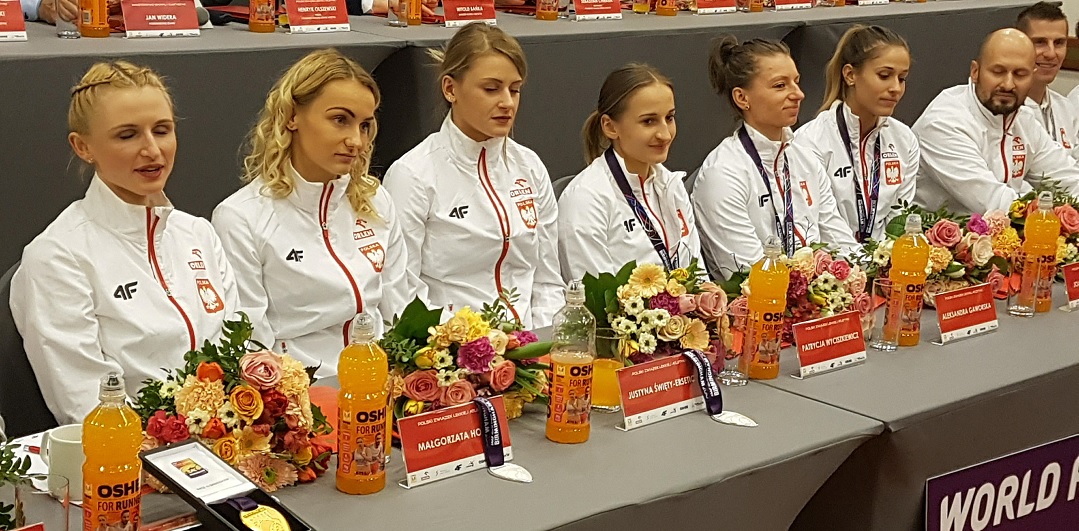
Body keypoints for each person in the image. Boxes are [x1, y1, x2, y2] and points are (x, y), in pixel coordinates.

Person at [10, 61, 239, 425]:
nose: (152, 150)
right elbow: (85, 405)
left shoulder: (198, 233)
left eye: (162, 130)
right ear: (83, 146)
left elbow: (239, 351)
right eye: (127, 135)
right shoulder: (56, 256)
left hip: (225, 440)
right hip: (132, 452)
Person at [213, 49, 410, 377]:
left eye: (365, 125)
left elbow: (399, 312)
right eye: (340, 120)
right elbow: (250, 343)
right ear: (292, 116)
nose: (356, 141)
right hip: (301, 390)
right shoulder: (240, 218)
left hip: (383, 381)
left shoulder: (376, 200)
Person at [383, 24, 563, 328]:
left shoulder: (529, 166)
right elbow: (401, 295)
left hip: (532, 344)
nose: (507, 102)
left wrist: (545, 339)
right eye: (491, 89)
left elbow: (548, 280)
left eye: (515, 89)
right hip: (450, 347)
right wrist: (464, 344)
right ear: (450, 89)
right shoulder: (412, 175)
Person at [691, 36, 858, 280]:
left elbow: (838, 238)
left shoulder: (805, 158)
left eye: (796, 82)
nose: (798, 94)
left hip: (817, 295)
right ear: (742, 98)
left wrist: (871, 270)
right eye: (780, 85)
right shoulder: (723, 174)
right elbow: (747, 275)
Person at [558, 63, 701, 281]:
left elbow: (697, 276)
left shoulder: (671, 185)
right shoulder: (586, 199)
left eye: (669, 118)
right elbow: (595, 297)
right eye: (649, 121)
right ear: (610, 127)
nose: (665, 134)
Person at [913, 29, 1079, 215]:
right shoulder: (944, 121)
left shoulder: (1024, 119)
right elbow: (995, 203)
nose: (1008, 84)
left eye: (1020, 74)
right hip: (933, 231)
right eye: (998, 72)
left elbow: (1069, 179)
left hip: (1008, 229)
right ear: (975, 72)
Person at [793, 25, 918, 243]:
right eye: (884, 75)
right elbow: (823, 222)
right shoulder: (810, 141)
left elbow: (900, 219)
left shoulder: (904, 139)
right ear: (850, 75)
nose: (896, 88)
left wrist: (886, 256)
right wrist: (863, 260)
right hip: (831, 260)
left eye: (902, 78)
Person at [1017, 2, 1079, 159]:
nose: (1051, 54)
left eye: (1059, 43)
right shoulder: (1004, 110)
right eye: (1040, 42)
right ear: (1019, 45)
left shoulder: (1066, 109)